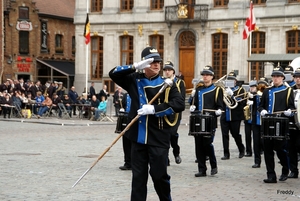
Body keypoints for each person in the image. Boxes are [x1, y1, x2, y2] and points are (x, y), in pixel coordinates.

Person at [109, 46, 185, 201]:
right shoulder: (133, 79)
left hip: (158, 137)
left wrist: (154, 109)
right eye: (152, 61)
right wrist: (134, 66)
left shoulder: (167, 83)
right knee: (138, 179)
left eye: (158, 61)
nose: (157, 64)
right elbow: (113, 74)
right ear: (144, 63)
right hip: (137, 137)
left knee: (159, 177)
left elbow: (179, 104)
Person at [258, 66, 295, 183]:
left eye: (278, 76)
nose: (275, 78)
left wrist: (289, 112)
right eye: (274, 76)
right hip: (267, 123)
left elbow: (292, 108)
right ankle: (271, 175)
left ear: (283, 78)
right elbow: (260, 106)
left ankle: (285, 169)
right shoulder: (267, 90)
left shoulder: (288, 90)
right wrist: (262, 110)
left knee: (280, 149)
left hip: (280, 124)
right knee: (267, 150)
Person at [189, 66, 223, 177]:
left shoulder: (217, 90)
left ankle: (214, 166)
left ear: (212, 77)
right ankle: (202, 169)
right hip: (198, 120)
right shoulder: (198, 89)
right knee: (198, 145)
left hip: (210, 121)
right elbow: (193, 103)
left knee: (208, 144)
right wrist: (192, 106)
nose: (205, 77)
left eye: (207, 75)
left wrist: (218, 111)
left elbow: (220, 106)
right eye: (203, 75)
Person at [163, 61, 185, 165]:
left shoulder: (180, 83)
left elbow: (181, 99)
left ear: (173, 71)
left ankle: (176, 153)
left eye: (169, 70)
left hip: (175, 113)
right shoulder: (161, 81)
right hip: (164, 112)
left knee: (173, 134)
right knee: (165, 135)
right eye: (165, 70)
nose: (167, 72)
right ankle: (165, 158)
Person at [220, 71, 246, 160]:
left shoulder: (240, 89)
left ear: (235, 81)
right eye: (229, 80)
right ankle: (226, 153)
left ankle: (241, 149)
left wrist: (232, 95)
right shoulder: (223, 90)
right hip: (225, 115)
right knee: (224, 135)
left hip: (235, 116)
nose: (230, 82)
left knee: (235, 134)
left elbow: (242, 102)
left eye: (232, 80)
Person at [249, 77, 269, 168]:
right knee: (256, 142)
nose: (261, 87)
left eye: (263, 85)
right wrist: (250, 98)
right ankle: (257, 161)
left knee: (265, 142)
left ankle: (268, 160)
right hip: (256, 121)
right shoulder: (255, 94)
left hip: (265, 122)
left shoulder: (268, 93)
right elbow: (248, 103)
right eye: (260, 85)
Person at [287, 67, 300, 179]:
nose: (298, 79)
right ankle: (293, 170)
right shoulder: (290, 90)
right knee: (291, 148)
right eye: (296, 77)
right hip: (292, 122)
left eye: (299, 77)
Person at [118, 93, 132, 170]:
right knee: (126, 142)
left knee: (133, 143)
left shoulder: (137, 93)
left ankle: (135, 162)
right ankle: (127, 162)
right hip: (126, 119)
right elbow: (122, 105)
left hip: (135, 119)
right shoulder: (126, 95)